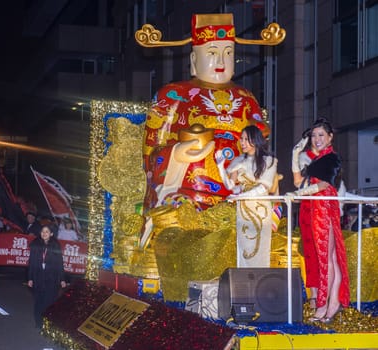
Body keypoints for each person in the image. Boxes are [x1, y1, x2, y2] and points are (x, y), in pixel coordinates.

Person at [136, 13, 285, 247]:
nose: (221, 62)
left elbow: (260, 137)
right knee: (180, 212)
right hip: (192, 190)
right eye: (213, 53)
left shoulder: (246, 98)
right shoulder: (172, 95)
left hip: (240, 185)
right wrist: (178, 154)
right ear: (194, 60)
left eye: (228, 54)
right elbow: (151, 150)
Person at [288, 117, 350, 323]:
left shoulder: (332, 158)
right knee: (326, 259)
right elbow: (297, 181)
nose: (316, 139)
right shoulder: (316, 160)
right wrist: (295, 154)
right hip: (313, 210)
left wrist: (301, 193)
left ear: (330, 137)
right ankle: (331, 305)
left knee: (327, 259)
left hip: (324, 210)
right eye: (314, 136)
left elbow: (324, 185)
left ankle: (325, 305)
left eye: (321, 135)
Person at [216, 125, 277, 267]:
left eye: (245, 139)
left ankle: (260, 282)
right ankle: (244, 282)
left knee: (261, 246)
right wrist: (220, 166)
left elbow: (264, 187)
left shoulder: (268, 161)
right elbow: (230, 186)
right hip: (243, 209)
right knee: (244, 246)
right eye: (241, 139)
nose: (242, 142)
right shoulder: (238, 161)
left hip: (260, 209)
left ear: (255, 140)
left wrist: (240, 197)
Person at [27, 225, 67, 329]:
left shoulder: (55, 246)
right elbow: (31, 262)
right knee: (39, 301)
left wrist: (62, 279)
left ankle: (47, 323)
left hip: (51, 277)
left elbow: (59, 263)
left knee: (49, 301)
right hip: (38, 277)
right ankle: (38, 323)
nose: (44, 233)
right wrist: (30, 278)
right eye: (42, 231)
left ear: (51, 234)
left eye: (47, 231)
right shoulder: (35, 244)